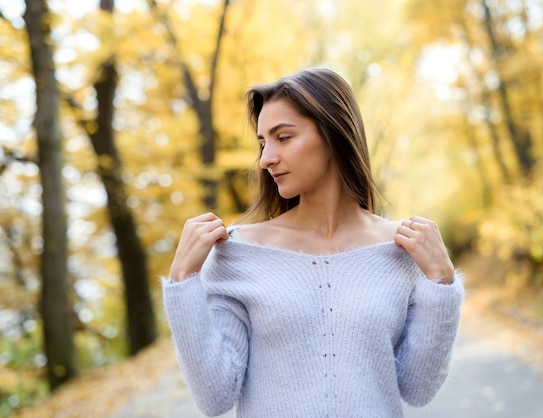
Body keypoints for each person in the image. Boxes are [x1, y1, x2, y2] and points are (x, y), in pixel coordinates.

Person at [163, 68, 465, 418]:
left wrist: (442, 284)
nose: (266, 159)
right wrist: (183, 279)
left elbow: (417, 388)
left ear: (333, 132)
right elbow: (215, 397)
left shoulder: (403, 249)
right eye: (262, 143)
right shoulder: (240, 254)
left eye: (283, 137)